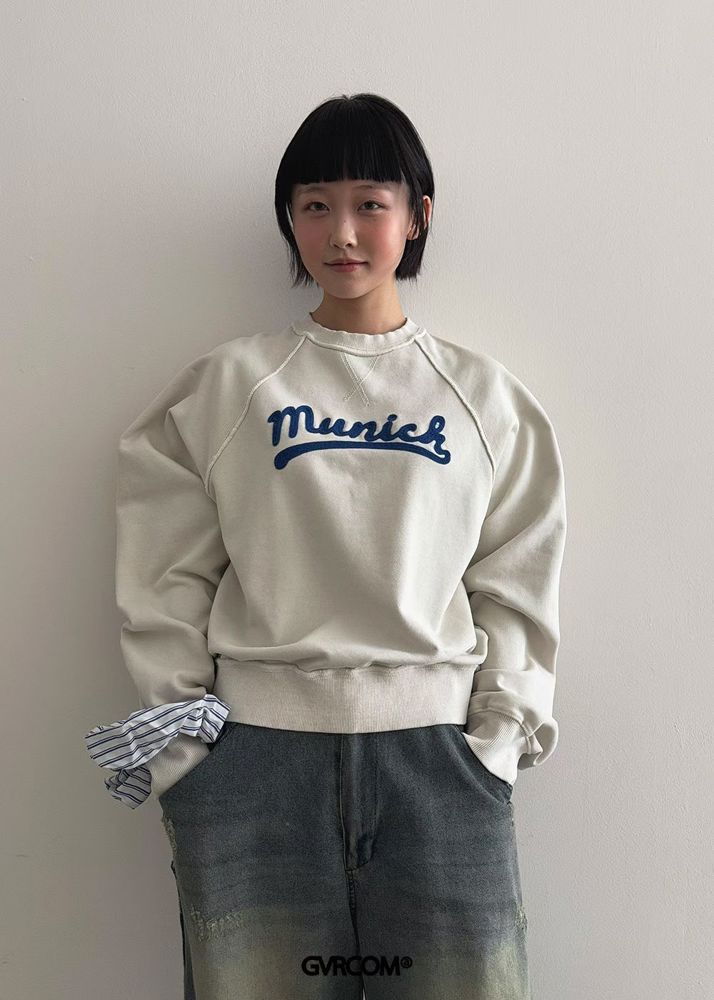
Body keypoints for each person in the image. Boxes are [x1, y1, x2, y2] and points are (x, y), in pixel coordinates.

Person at [84, 92, 567, 1000]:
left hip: (441, 765)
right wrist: (187, 759)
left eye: (369, 203)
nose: (341, 232)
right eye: (314, 205)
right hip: (253, 766)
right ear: (289, 219)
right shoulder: (229, 388)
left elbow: (518, 581)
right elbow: (163, 578)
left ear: (418, 215)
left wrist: (498, 742)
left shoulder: (483, 399)